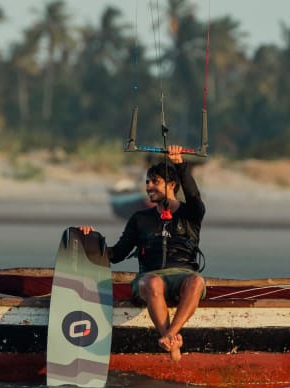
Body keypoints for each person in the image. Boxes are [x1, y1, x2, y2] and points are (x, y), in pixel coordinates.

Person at [80, 144, 205, 362]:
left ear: (171, 185)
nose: (148, 186)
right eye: (147, 182)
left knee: (196, 281)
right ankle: (172, 340)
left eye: (155, 182)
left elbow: (193, 195)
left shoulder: (191, 214)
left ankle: (169, 335)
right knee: (153, 282)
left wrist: (180, 164)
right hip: (149, 279)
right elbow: (116, 254)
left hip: (182, 275)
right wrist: (90, 240)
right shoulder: (140, 219)